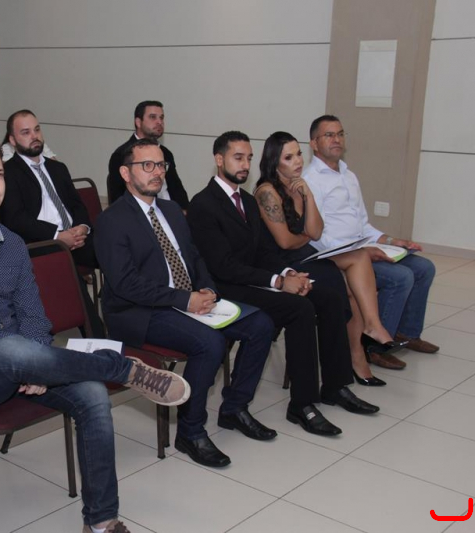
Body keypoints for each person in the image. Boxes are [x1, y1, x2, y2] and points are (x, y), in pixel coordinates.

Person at [0, 138, 190, 533]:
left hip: (23, 363)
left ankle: (102, 520)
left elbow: (34, 316)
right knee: (14, 348)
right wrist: (24, 357)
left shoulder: (13, 244)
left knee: (91, 394)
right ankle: (120, 368)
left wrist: (36, 360)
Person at [96, 138, 275, 467]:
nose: (157, 172)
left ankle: (235, 407)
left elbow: (193, 257)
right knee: (210, 343)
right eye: (147, 165)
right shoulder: (112, 220)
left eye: (161, 165)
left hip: (185, 298)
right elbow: (125, 284)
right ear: (125, 173)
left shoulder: (171, 211)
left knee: (261, 324)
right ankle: (190, 431)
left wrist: (206, 289)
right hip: (140, 311)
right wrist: (184, 299)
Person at [187, 131, 380, 437]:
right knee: (299, 309)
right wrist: (278, 281)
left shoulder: (247, 201)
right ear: (219, 159)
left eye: (249, 158)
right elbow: (223, 267)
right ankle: (302, 404)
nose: (245, 165)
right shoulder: (203, 204)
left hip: (251, 278)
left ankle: (335, 385)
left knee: (328, 296)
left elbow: (262, 252)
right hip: (224, 287)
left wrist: (289, 274)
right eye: (238, 158)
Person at [254, 131, 406, 383]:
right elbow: (286, 242)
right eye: (289, 158)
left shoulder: (300, 186)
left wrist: (308, 196)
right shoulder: (266, 191)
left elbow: (315, 231)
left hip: (304, 254)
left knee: (358, 260)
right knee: (348, 286)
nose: (298, 161)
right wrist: (305, 235)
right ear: (274, 162)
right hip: (282, 263)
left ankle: (368, 335)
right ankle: (359, 352)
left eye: (299, 154)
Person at [303, 115, 439, 357]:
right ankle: (374, 348)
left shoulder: (348, 175)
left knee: (424, 267)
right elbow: (316, 238)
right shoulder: (310, 180)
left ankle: (406, 334)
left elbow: (363, 225)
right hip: (339, 257)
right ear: (314, 143)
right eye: (329, 135)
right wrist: (360, 252)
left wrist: (391, 241)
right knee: (401, 277)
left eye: (340, 134)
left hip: (361, 247)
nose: (337, 140)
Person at [0, 110, 104, 336]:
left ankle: (130, 321)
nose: (34, 136)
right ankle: (96, 336)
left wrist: (82, 228)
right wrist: (58, 236)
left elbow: (77, 205)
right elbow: (15, 219)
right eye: (26, 132)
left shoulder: (58, 168)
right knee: (67, 265)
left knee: (116, 252)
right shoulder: (9, 173)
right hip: (41, 243)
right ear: (13, 140)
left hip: (76, 237)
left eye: (37, 129)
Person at [107, 100, 188, 209]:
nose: (159, 122)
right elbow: (119, 200)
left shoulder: (165, 152)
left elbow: (177, 189)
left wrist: (184, 211)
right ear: (138, 122)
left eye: (161, 118)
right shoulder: (122, 155)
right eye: (153, 117)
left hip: (170, 211)